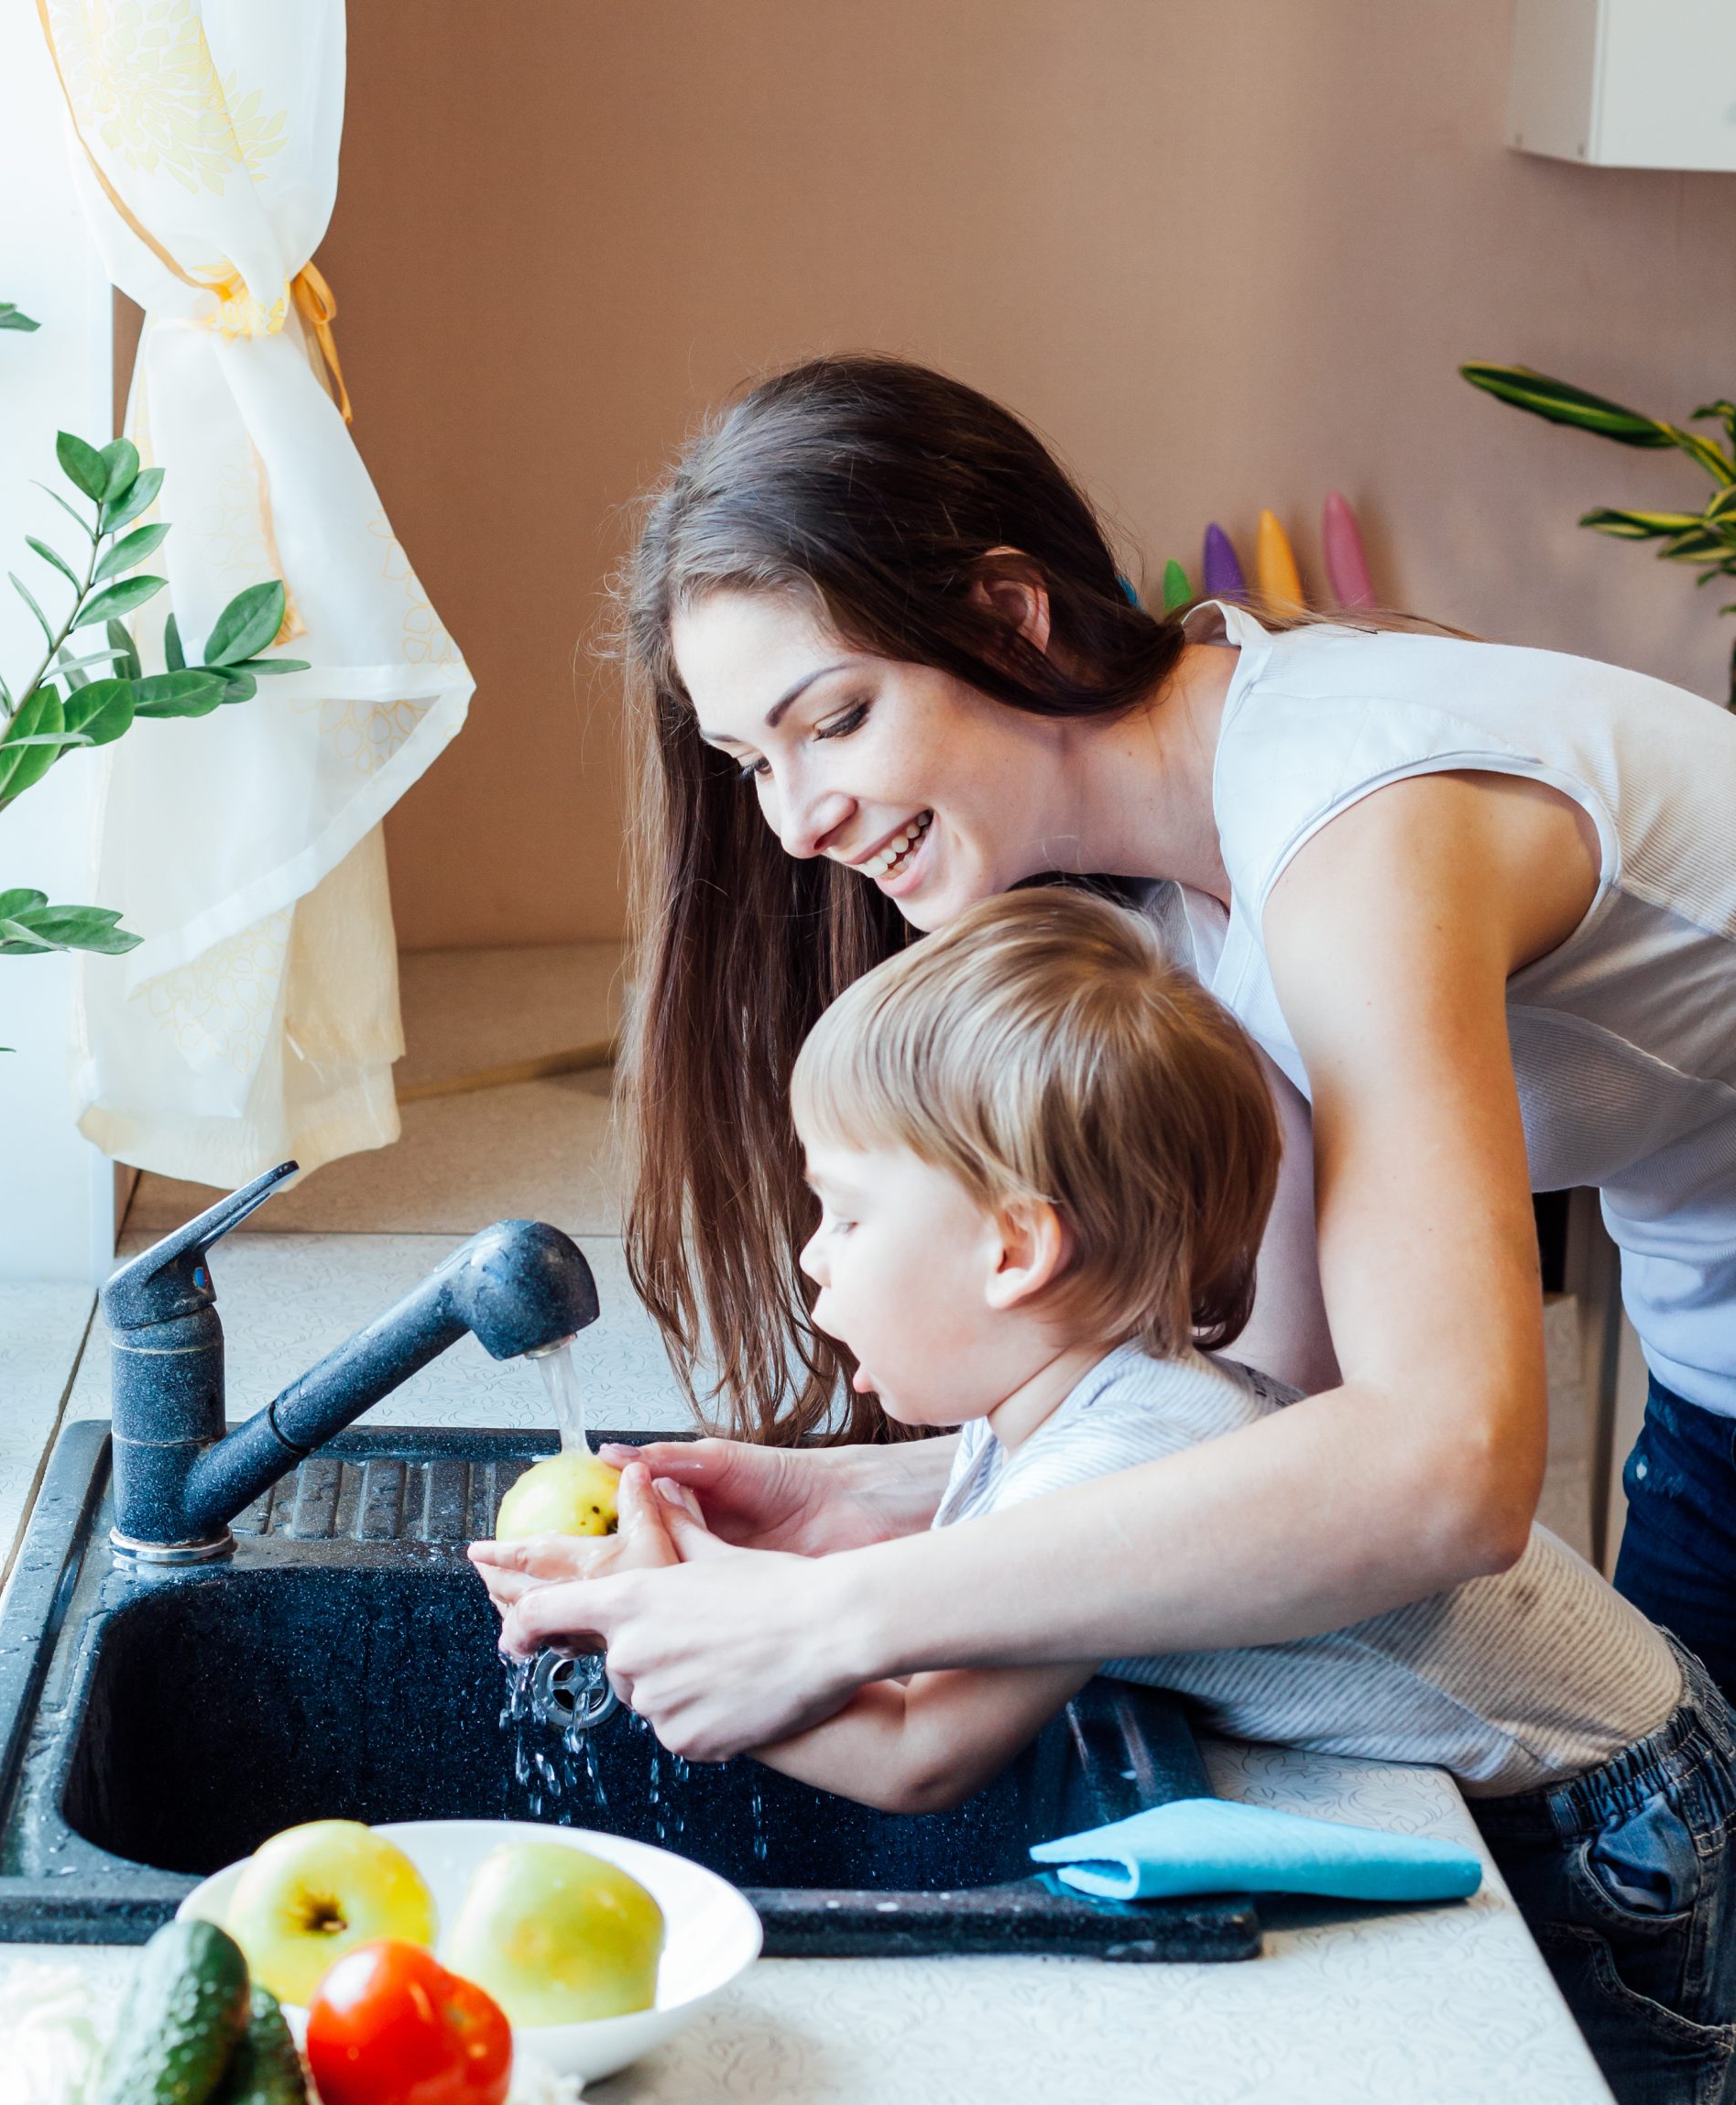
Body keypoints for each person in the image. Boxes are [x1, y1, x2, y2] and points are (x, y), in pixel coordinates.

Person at [478, 890, 1736, 2105]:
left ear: (1016, 1249)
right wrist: (734, 1558)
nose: (811, 1256)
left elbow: (920, 1748)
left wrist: (675, 1613)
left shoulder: (1116, 1462)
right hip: (1616, 1750)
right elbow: (945, 1605)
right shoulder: (1074, 1414)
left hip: (1610, 1817)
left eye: (842, 1210)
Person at [494, 353, 1736, 1749]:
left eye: (834, 720)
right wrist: (874, 1500)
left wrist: (840, 1617)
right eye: (751, 762)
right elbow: (1261, 1414)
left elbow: (1446, 1470)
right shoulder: (1148, 912)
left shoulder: (1353, 841)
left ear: (1014, 623)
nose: (795, 824)